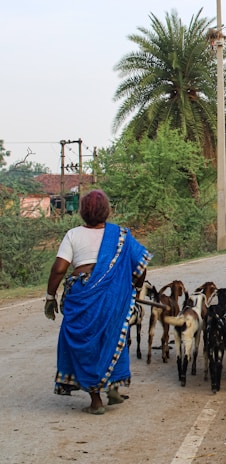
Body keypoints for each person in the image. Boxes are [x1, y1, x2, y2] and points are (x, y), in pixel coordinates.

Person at [44, 189, 151, 415]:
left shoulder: (73, 235)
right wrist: (135, 287)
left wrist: (50, 296)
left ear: (82, 212)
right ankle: (112, 388)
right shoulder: (121, 235)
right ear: (106, 211)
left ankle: (96, 400)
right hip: (114, 294)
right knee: (115, 334)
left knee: (84, 342)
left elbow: (59, 269)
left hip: (81, 294)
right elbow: (141, 266)